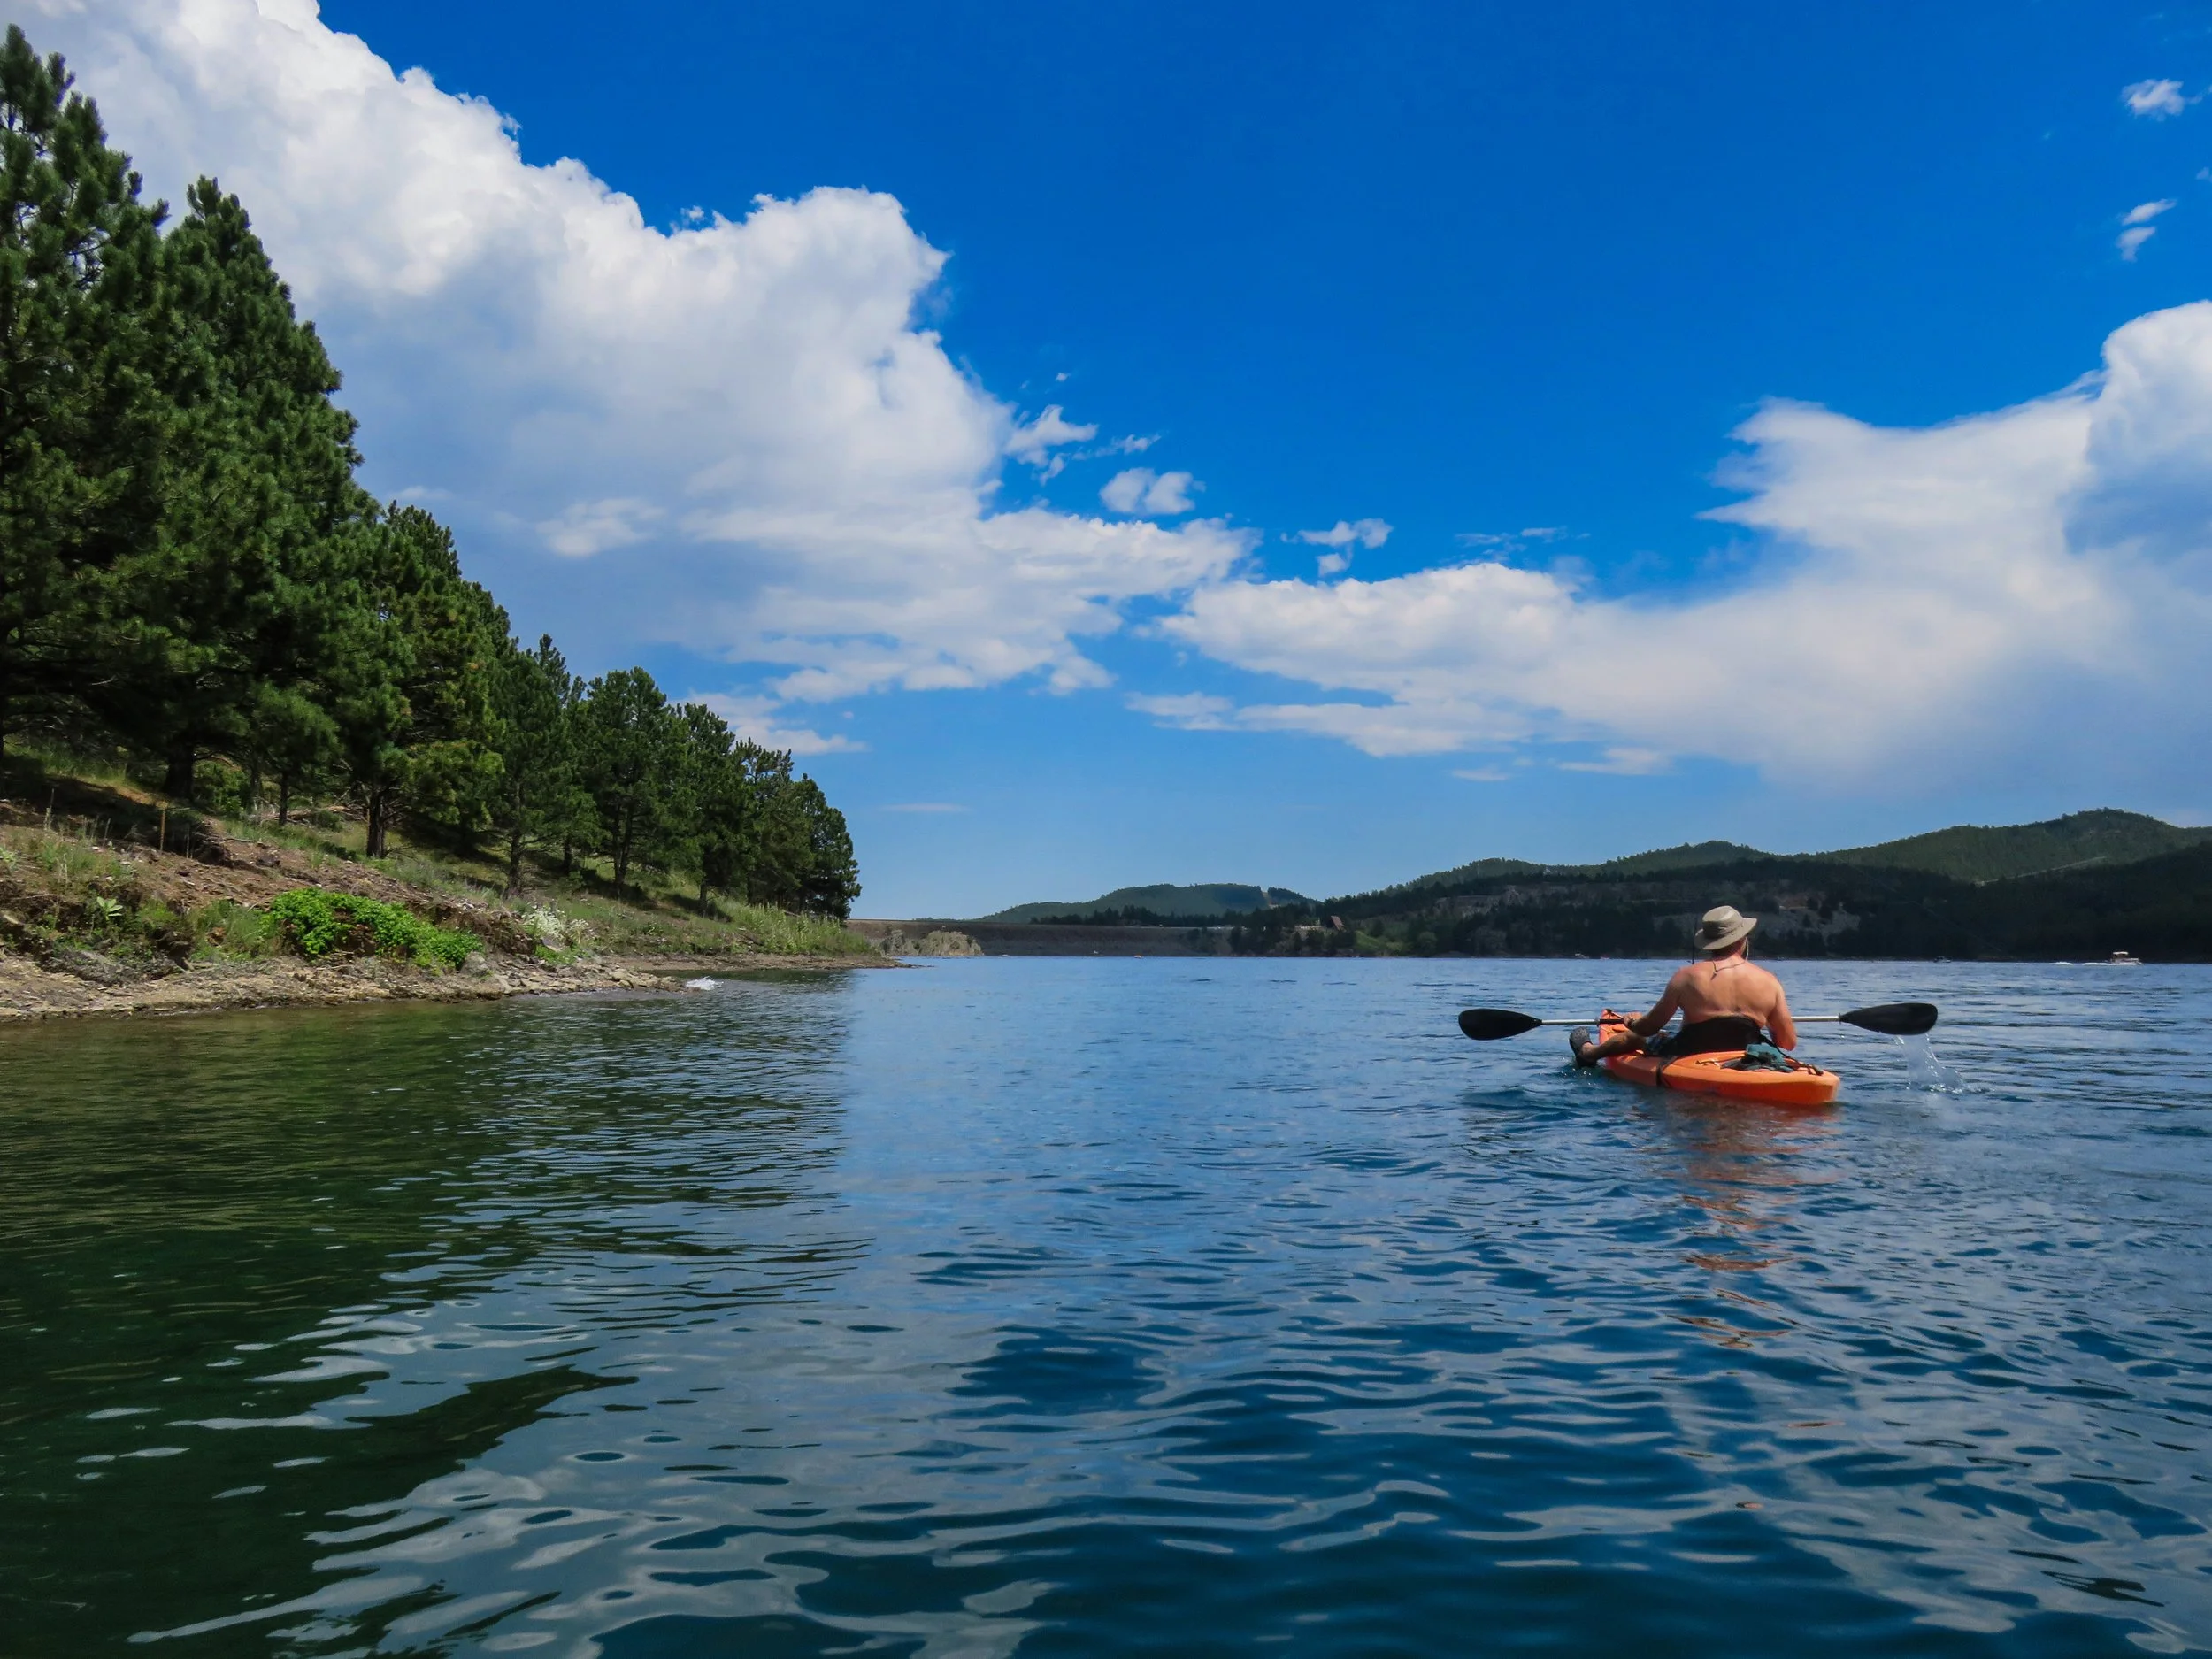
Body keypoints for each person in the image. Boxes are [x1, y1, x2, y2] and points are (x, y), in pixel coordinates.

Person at [1571, 904, 1798, 1066]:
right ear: (1742, 939)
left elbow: (1648, 1028)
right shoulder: (1770, 981)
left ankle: (1589, 1054)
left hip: (1691, 1053)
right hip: (1746, 1056)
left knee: (1638, 1038)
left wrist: (1632, 1022)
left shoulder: (1686, 977)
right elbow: (1787, 1043)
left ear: (1709, 943)